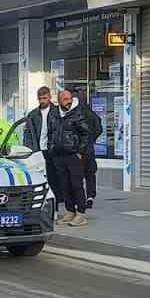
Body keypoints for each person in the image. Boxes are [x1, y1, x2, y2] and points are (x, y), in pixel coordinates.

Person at [54, 89, 94, 226]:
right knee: (64, 185)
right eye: (65, 99)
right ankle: (70, 211)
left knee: (76, 184)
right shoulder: (55, 114)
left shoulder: (77, 113)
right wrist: (52, 147)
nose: (68, 101)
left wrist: (80, 151)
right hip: (59, 155)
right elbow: (51, 131)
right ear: (59, 101)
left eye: (70, 98)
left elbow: (86, 134)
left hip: (73, 155)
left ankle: (81, 214)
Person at [22, 87, 64, 203]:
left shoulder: (57, 112)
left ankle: (57, 199)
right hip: (38, 150)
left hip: (52, 149)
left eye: (45, 98)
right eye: (40, 99)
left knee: (55, 176)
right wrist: (30, 149)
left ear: (50, 97)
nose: (42, 101)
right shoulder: (33, 114)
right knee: (40, 176)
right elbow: (28, 133)